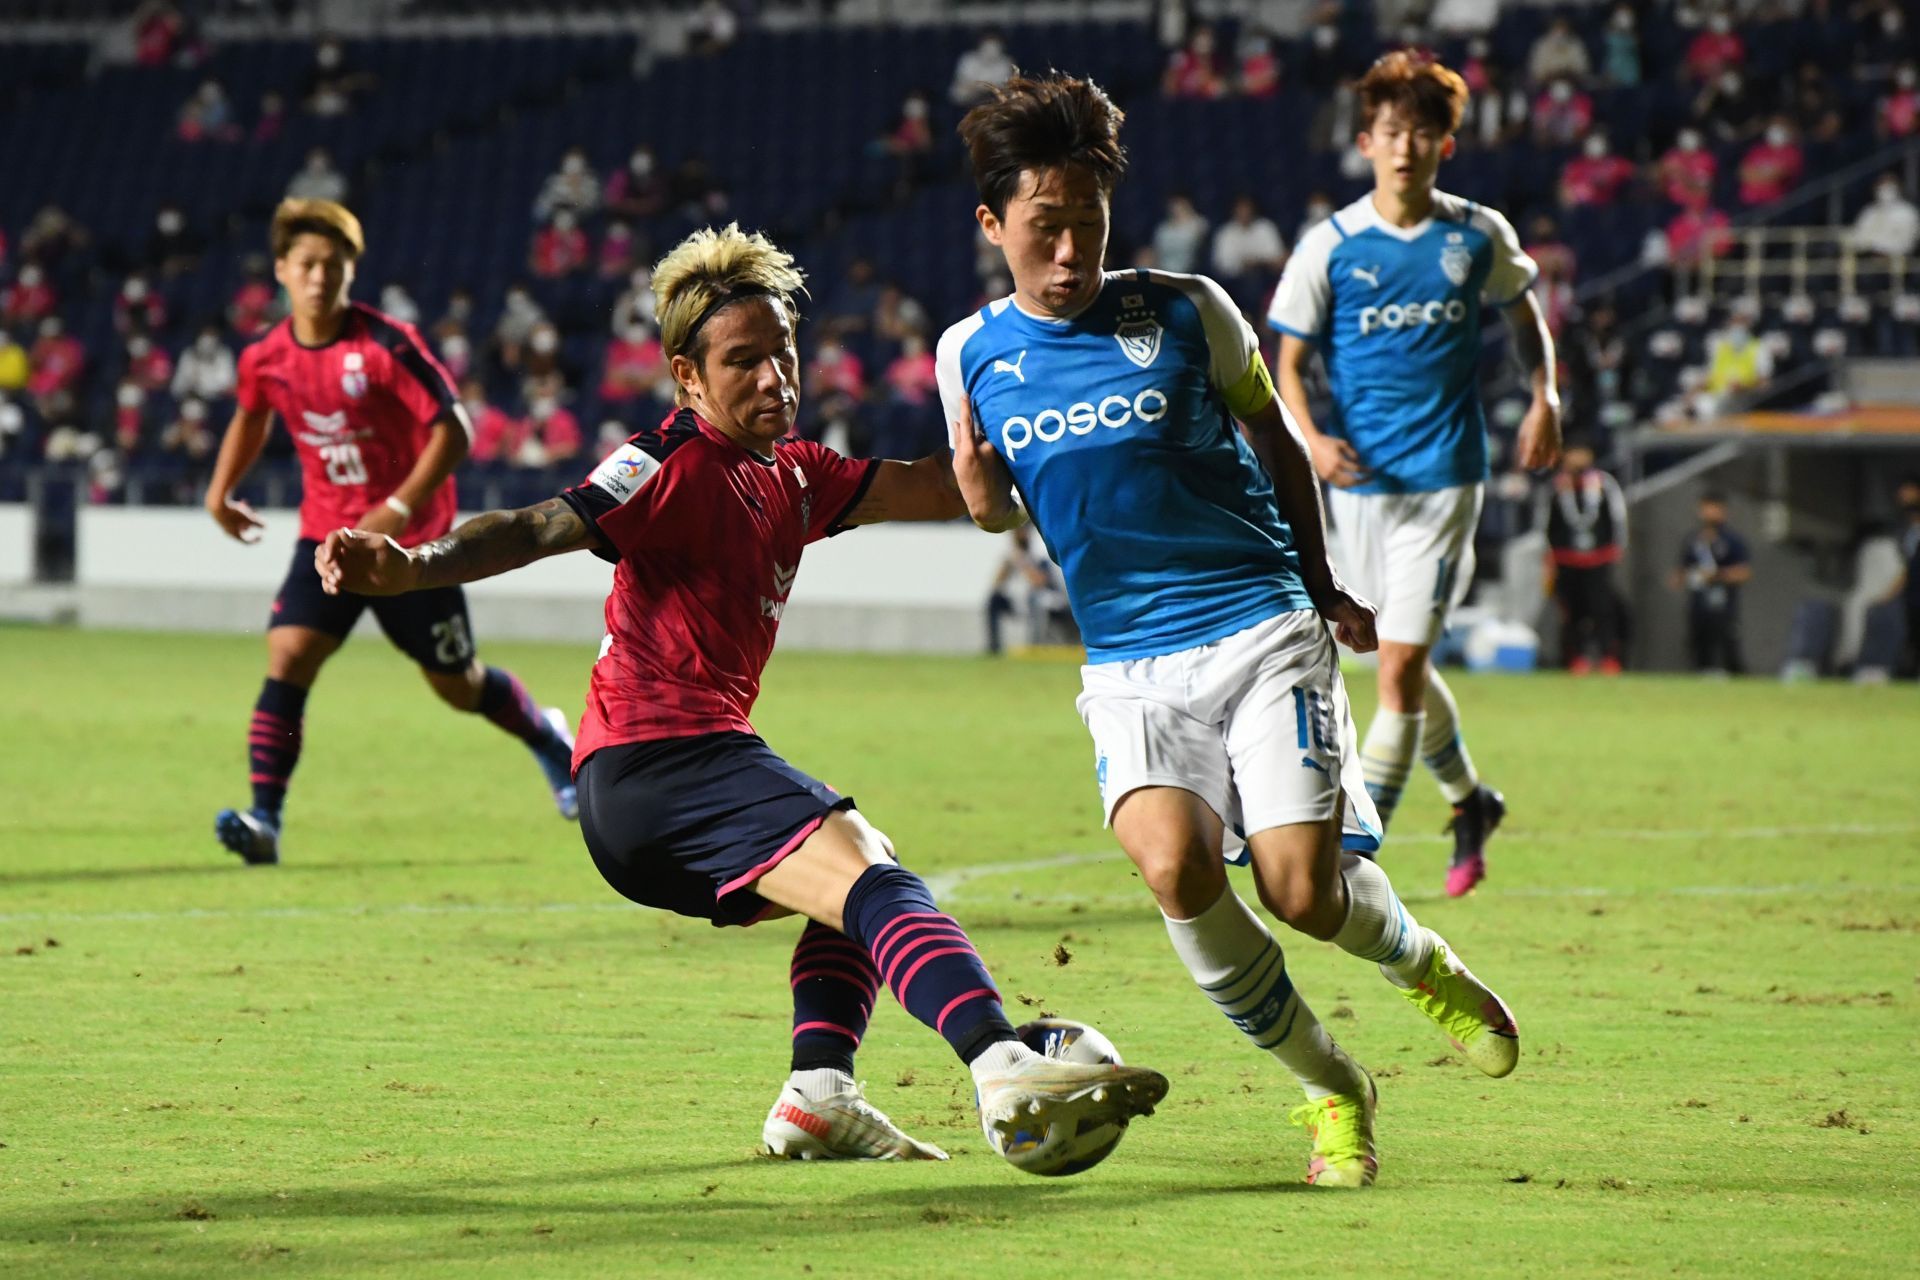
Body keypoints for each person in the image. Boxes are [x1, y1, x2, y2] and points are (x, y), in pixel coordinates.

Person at [316, 222, 1169, 1167]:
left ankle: (818, 1093)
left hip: (671, 773)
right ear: (687, 375)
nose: (774, 380)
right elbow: (532, 526)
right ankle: (1001, 1061)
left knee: (855, 877)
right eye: (743, 362)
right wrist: (412, 565)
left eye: (784, 356)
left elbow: (936, 489)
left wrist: (1066, 414)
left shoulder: (796, 474)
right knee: (877, 880)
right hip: (656, 763)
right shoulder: (666, 463)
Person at [944, 72, 1519, 1191]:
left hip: (1258, 621)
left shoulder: (1187, 307)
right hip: (1127, 660)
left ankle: (1425, 964)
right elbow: (998, 505)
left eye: (1088, 225)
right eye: (1043, 228)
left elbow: (1280, 442)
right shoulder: (967, 351)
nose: (1069, 252)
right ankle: (1332, 1087)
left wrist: (1326, 585)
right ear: (992, 224)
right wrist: (977, 494)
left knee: (1303, 892)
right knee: (1176, 866)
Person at [201, 198, 579, 866]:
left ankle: (548, 738)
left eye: (335, 264)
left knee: (458, 686)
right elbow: (251, 414)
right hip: (327, 539)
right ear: (282, 271)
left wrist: (399, 510)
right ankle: (266, 820)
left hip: (415, 549)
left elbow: (455, 427)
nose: (321, 277)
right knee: (288, 656)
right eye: (308, 264)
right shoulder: (266, 357)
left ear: (352, 271)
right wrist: (220, 489)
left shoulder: (385, 345)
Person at [1269, 52, 1561, 898]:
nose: (1406, 147)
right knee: (1391, 660)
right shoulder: (1331, 245)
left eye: (1423, 133)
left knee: (1397, 671)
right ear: (1366, 141)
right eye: (1392, 132)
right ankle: (1472, 801)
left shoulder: (1478, 234)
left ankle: (1357, 849)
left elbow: (1527, 314)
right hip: (1357, 486)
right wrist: (1313, 441)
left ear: (1447, 144)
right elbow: (1286, 360)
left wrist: (1546, 394)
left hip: (1444, 479)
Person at [1541, 442, 1627, 674]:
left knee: (1602, 608)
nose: (1578, 458)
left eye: (1582, 452)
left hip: (1598, 558)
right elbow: (1545, 524)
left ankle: (1609, 657)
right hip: (1566, 559)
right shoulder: (1556, 487)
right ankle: (1575, 658)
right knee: (1572, 611)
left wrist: (1616, 548)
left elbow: (1617, 518)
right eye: (1573, 452)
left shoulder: (1604, 484)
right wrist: (1548, 557)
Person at [1670, 491, 1751, 674]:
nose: (1710, 512)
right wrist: (1684, 578)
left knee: (1728, 645)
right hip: (1698, 603)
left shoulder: (1732, 540)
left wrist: (1716, 576)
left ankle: (1737, 681)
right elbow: (1680, 572)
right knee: (1698, 647)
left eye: (1715, 508)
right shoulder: (1693, 539)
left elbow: (1744, 573)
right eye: (1706, 507)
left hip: (1724, 604)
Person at [1852, 174, 1920, 259]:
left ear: (1898, 188)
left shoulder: (1908, 212)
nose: (1884, 191)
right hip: (1867, 257)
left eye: (1889, 187)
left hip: (1897, 260)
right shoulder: (1869, 212)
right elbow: (1858, 235)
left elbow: (1908, 243)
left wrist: (1883, 248)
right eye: (1881, 187)